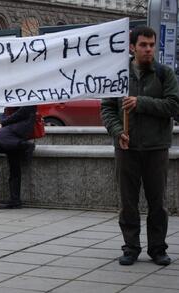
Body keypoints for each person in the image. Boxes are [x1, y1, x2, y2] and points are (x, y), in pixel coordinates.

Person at [101, 26, 179, 266]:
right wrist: (117, 132)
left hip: (156, 147)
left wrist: (141, 102)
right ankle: (130, 247)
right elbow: (107, 109)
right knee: (128, 202)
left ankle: (158, 248)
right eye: (143, 45)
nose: (148, 49)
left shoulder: (165, 73)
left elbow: (173, 106)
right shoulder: (118, 74)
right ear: (132, 47)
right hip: (127, 148)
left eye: (152, 45)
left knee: (158, 202)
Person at [0, 106, 36, 209]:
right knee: (14, 167)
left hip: (20, 127)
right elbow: (6, 113)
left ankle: (25, 145)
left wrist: (3, 123)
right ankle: (15, 199)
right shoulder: (12, 99)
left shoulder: (29, 99)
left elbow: (21, 113)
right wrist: (1, 123)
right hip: (11, 131)